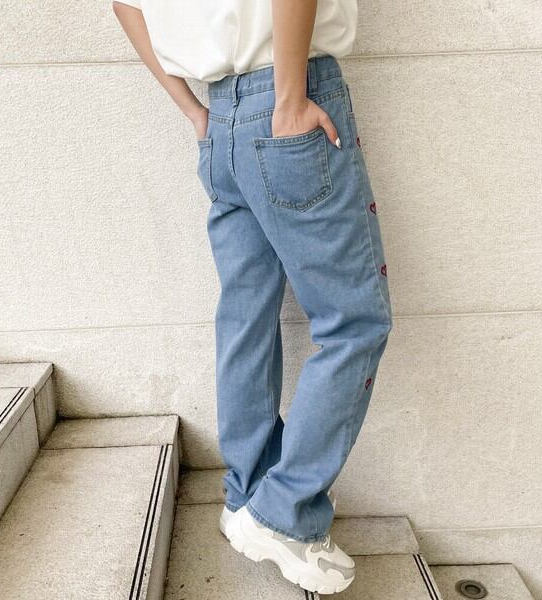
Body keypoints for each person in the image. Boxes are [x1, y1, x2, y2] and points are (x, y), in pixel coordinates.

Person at [113, 0, 393, 594]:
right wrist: (290, 98)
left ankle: (247, 496)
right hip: (288, 97)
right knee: (354, 321)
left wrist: (195, 112)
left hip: (221, 121)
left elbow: (126, 4)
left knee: (247, 315)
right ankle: (283, 513)